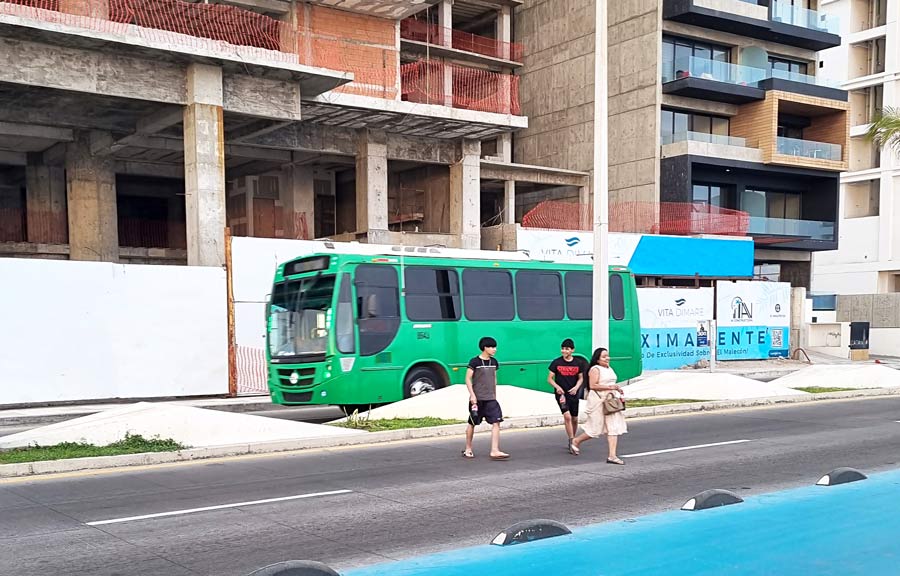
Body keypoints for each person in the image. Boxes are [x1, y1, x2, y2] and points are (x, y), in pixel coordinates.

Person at [570, 347, 627, 464]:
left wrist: (616, 389)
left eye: (608, 356)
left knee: (613, 427)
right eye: (604, 356)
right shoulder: (595, 369)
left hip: (610, 401)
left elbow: (612, 383)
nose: (607, 358)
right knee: (595, 429)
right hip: (598, 401)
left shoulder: (609, 368)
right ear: (597, 359)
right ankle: (576, 441)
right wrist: (610, 387)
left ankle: (612, 456)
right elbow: (593, 385)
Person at [461, 336, 509, 460]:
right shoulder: (474, 362)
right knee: (472, 423)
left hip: (491, 399)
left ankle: (494, 450)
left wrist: (495, 393)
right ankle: (468, 448)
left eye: (495, 347)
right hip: (477, 398)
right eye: (492, 347)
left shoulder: (494, 362)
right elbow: (467, 378)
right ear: (485, 348)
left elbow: (494, 378)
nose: (495, 349)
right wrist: (472, 395)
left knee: (496, 422)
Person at [547, 338, 583, 451]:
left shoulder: (578, 363)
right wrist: (557, 387)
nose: (564, 351)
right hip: (561, 395)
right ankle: (572, 440)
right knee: (567, 416)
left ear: (572, 350)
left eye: (567, 349)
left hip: (573, 394)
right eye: (562, 349)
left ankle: (573, 438)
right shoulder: (556, 362)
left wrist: (576, 388)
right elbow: (549, 379)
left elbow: (581, 378)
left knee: (575, 418)